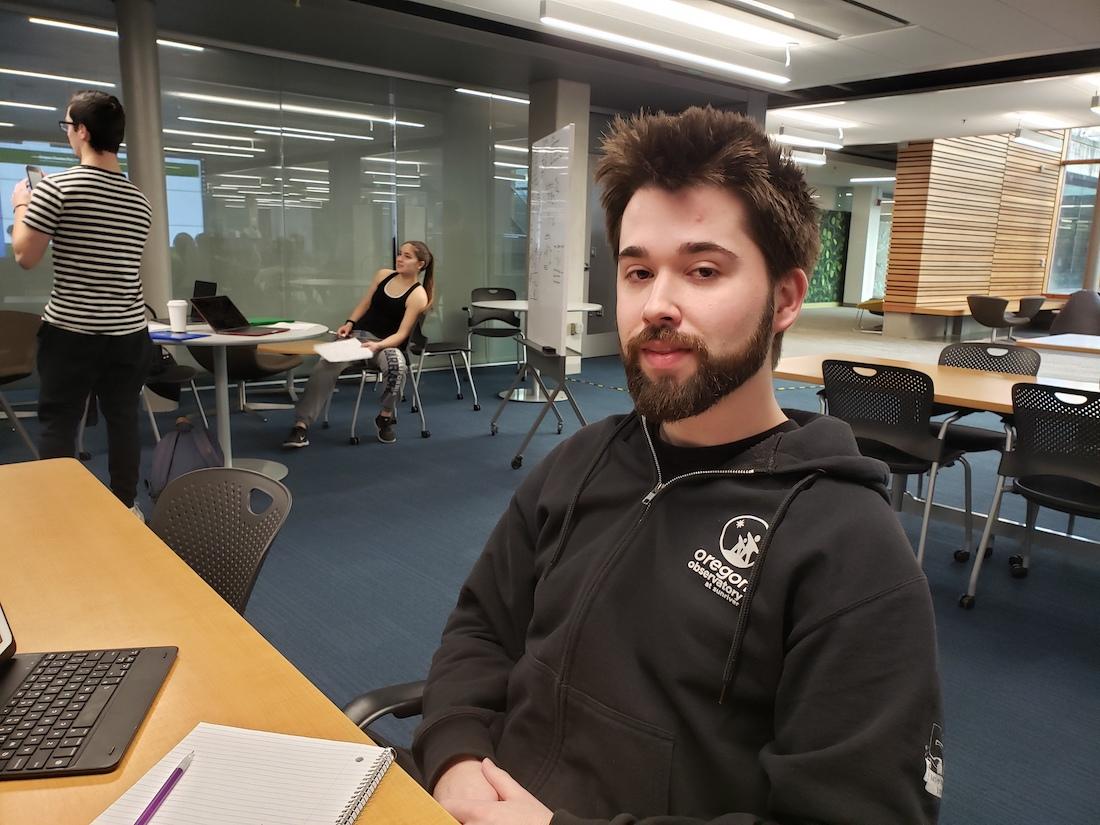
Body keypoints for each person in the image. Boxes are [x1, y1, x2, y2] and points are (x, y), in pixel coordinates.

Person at [411, 107, 943, 825]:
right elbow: (481, 627)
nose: (657, 304)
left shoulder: (851, 554)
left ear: (785, 297)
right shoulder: (577, 463)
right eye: (637, 271)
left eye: (702, 269)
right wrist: (452, 757)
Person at [10, 91, 153, 518]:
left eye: (68, 126)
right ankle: (127, 507)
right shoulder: (139, 199)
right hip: (128, 333)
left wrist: (21, 203)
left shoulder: (56, 188)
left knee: (60, 422)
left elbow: (25, 255)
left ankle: (59, 513)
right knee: (123, 420)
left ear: (83, 131)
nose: (68, 134)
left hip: (71, 332)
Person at [282, 241, 433, 447]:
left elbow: (402, 334)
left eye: (407, 256)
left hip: (386, 344)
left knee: (398, 366)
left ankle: (385, 417)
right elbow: (365, 303)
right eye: (399, 254)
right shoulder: (383, 275)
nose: (400, 259)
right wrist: (349, 323)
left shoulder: (418, 295)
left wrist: (377, 346)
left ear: (420, 264)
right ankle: (301, 425)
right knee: (325, 364)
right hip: (358, 337)